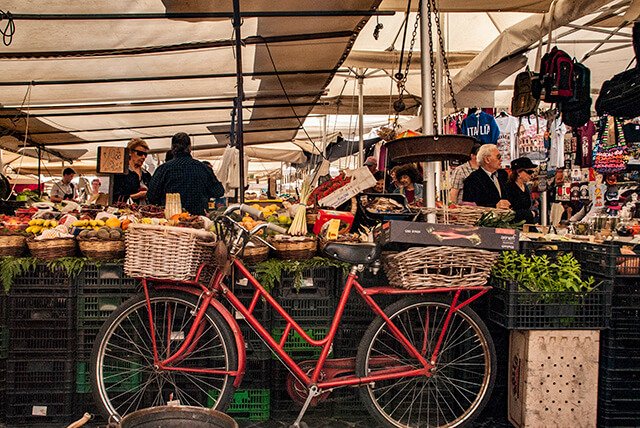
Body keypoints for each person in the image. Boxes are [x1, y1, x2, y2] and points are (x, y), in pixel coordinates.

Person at [147, 132, 225, 215]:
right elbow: (219, 191)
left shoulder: (163, 169)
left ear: (172, 148)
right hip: (198, 219)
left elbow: (151, 196)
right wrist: (202, 193)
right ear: (189, 148)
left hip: (172, 219)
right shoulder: (203, 168)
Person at [462, 144, 511, 209]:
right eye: (498, 157)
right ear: (487, 159)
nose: (501, 160)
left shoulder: (502, 174)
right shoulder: (472, 180)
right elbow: (470, 207)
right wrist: (494, 206)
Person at [112, 138, 152, 204]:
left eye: (145, 154)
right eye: (140, 153)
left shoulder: (146, 174)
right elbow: (114, 197)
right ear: (130, 152)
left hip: (145, 211)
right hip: (125, 212)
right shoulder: (120, 173)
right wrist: (136, 196)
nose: (143, 157)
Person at [505, 157, 537, 224]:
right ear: (519, 172)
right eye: (529, 172)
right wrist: (531, 213)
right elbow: (511, 211)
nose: (531, 175)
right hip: (515, 226)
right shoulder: (509, 187)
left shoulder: (525, 186)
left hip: (527, 224)